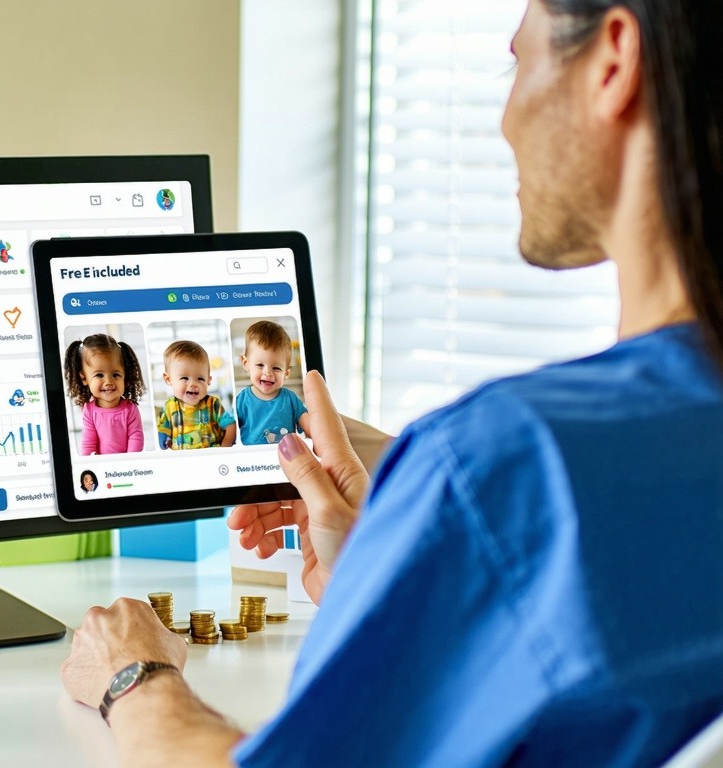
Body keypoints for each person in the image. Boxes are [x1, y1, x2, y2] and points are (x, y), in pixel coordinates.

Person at [61, 1, 723, 765]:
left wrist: (134, 675)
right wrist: (395, 579)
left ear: (612, 60)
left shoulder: (510, 468)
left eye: (519, 60)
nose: (505, 120)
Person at [63, 334, 147, 455]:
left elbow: (136, 437)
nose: (108, 382)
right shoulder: (89, 411)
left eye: (115, 375)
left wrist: (130, 461)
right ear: (84, 378)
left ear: (125, 376)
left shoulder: (130, 409)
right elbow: (88, 443)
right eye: (99, 375)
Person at [233, 320, 310, 445]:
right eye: (260, 365)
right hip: (250, 461)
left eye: (276, 368)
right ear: (246, 363)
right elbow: (230, 431)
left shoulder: (290, 399)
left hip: (286, 458)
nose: (268, 373)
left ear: (286, 373)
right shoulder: (241, 400)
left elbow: (309, 425)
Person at [156, 340, 237, 450]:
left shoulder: (213, 404)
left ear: (208, 380)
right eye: (184, 378)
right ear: (168, 379)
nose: (193, 384)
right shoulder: (170, 406)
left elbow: (231, 425)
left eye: (200, 378)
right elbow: (163, 429)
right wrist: (162, 438)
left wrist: (225, 447)